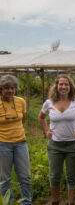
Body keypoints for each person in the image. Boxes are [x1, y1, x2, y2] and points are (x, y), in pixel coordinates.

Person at [38, 74, 75, 205]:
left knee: (72, 176)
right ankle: (55, 201)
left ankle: (70, 202)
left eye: (66, 84)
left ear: (70, 87)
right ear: (56, 86)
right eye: (61, 84)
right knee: (54, 176)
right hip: (55, 145)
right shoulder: (49, 103)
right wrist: (46, 130)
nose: (63, 87)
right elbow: (41, 117)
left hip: (73, 145)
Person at [0, 75, 31, 205]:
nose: (10, 91)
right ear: (1, 89)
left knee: (25, 177)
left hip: (20, 143)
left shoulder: (21, 101)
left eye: (13, 88)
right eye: (7, 88)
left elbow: (22, 119)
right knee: (4, 179)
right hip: (3, 144)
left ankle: (26, 202)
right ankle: (7, 202)